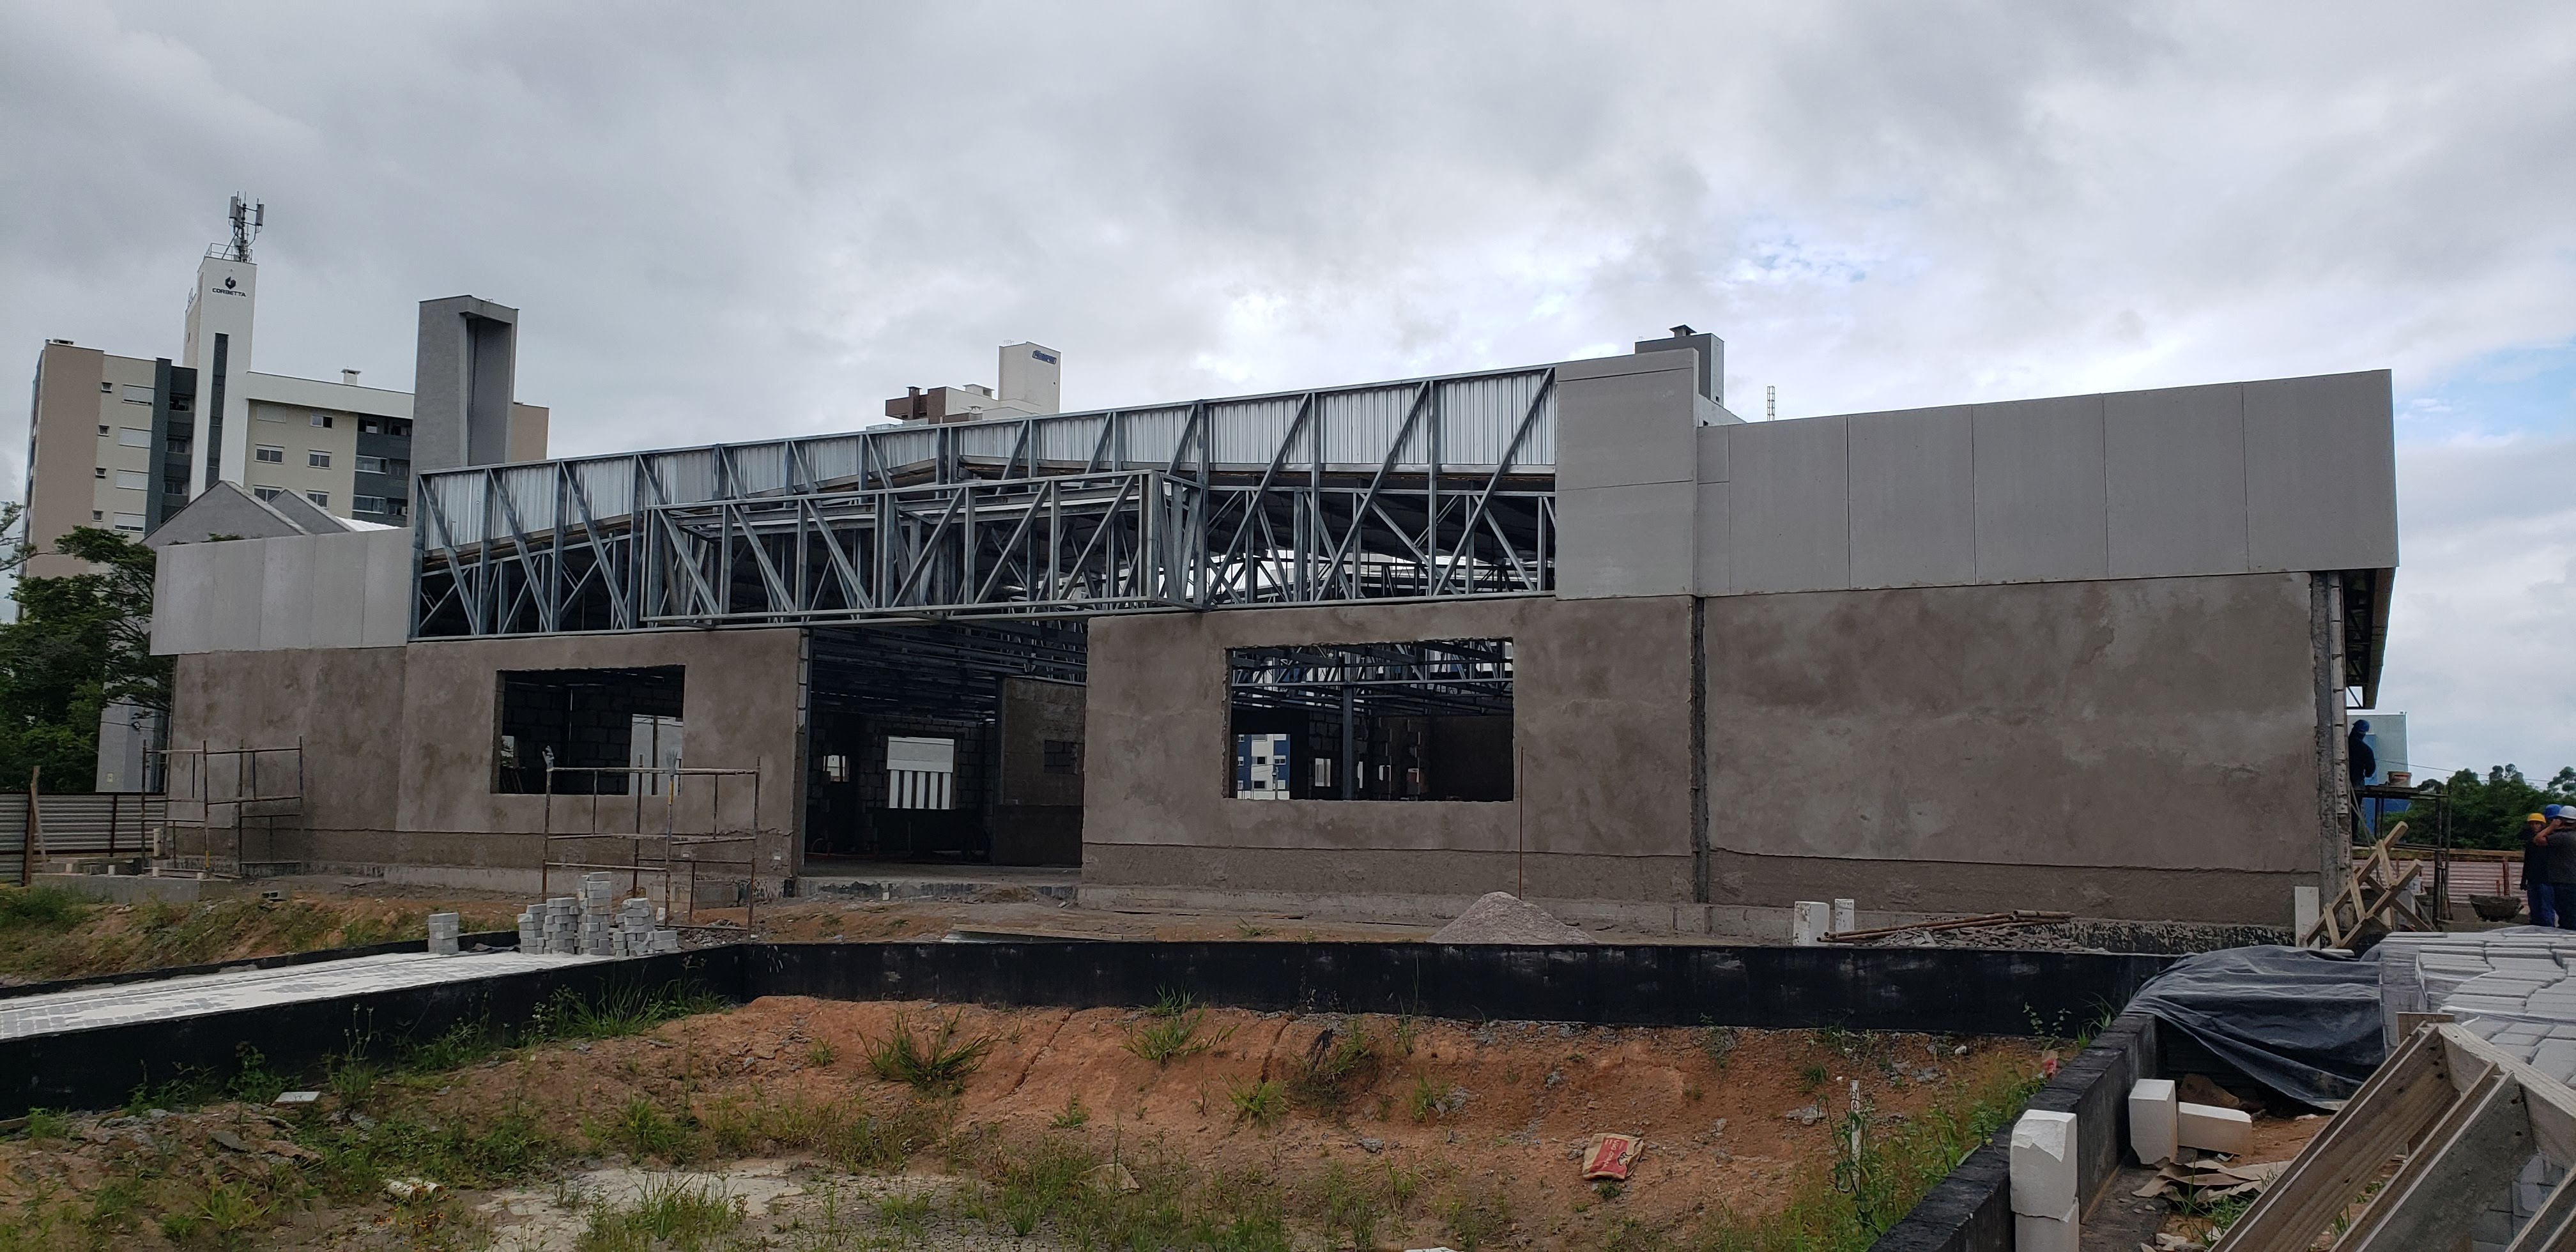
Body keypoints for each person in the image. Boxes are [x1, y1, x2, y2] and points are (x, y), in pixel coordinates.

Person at [2526, 813, 2559, 927]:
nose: (2534, 826)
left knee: (2547, 909)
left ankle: (2549, 930)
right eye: (2532, 824)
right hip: (2533, 880)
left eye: (2537, 824)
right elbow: (2527, 861)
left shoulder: (2549, 841)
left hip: (2546, 880)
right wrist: (2524, 879)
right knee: (2535, 909)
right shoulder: (2530, 842)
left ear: (2543, 825)